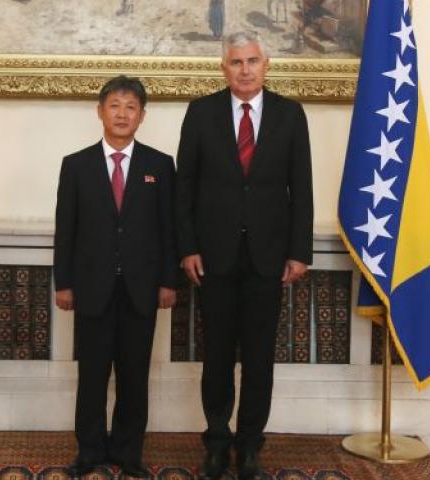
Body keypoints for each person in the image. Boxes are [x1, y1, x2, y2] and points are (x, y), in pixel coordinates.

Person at [175, 32, 314, 480]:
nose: (246, 69)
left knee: (258, 359)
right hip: (213, 258)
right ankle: (217, 443)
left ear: (266, 65)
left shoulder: (290, 115)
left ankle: (250, 446)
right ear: (224, 68)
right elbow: (184, 188)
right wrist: (188, 247)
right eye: (236, 62)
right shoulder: (201, 113)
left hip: (268, 259)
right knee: (216, 356)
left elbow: (302, 188)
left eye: (253, 60)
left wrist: (299, 251)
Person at [54, 76, 178, 478]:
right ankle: (89, 451)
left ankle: (128, 452)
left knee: (134, 375)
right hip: (92, 289)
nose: (122, 114)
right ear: (100, 111)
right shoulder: (76, 165)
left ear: (142, 116)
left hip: (142, 290)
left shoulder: (160, 165)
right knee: (92, 375)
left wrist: (168, 281)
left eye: (131, 107)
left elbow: (169, 229)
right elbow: (66, 229)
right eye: (114, 105)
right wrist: (64, 283)